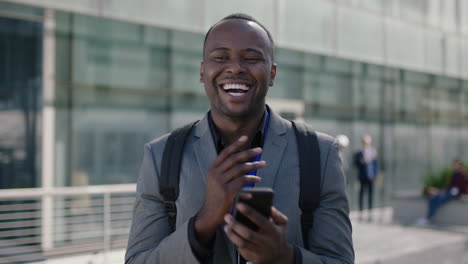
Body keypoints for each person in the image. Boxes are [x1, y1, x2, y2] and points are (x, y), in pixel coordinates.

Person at [125, 13, 354, 264]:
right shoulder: (161, 156)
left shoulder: (319, 154)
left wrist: (284, 257)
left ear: (272, 74)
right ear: (202, 72)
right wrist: (203, 223)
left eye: (252, 58)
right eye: (221, 57)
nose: (235, 68)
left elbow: (340, 260)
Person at [417, 159, 468, 225]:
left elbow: (463, 186)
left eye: (456, 165)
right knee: (433, 198)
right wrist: (444, 190)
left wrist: (462, 193)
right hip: (449, 191)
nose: (454, 166)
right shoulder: (455, 174)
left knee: (437, 201)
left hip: (453, 194)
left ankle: (427, 218)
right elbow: (450, 185)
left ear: (460, 165)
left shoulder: (462, 174)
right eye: (454, 165)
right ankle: (426, 218)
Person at [354, 135, 379, 215]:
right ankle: (361, 211)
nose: (366, 144)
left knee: (370, 195)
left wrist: (376, 175)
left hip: (371, 177)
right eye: (365, 142)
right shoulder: (359, 153)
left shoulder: (373, 152)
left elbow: (376, 165)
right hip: (362, 177)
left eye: (368, 143)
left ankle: (370, 211)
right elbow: (356, 163)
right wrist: (363, 161)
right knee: (361, 194)